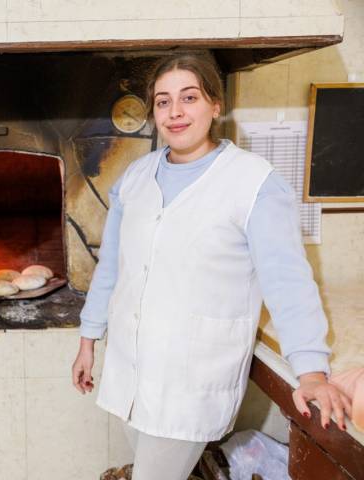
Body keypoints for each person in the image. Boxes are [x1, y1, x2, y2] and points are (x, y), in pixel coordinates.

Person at [71, 54, 352, 480]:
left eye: (189, 97)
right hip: (129, 367)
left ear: (215, 105)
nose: (175, 112)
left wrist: (311, 371)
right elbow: (111, 267)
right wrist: (89, 339)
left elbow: (288, 283)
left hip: (190, 378)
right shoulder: (135, 178)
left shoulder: (254, 183)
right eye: (163, 102)